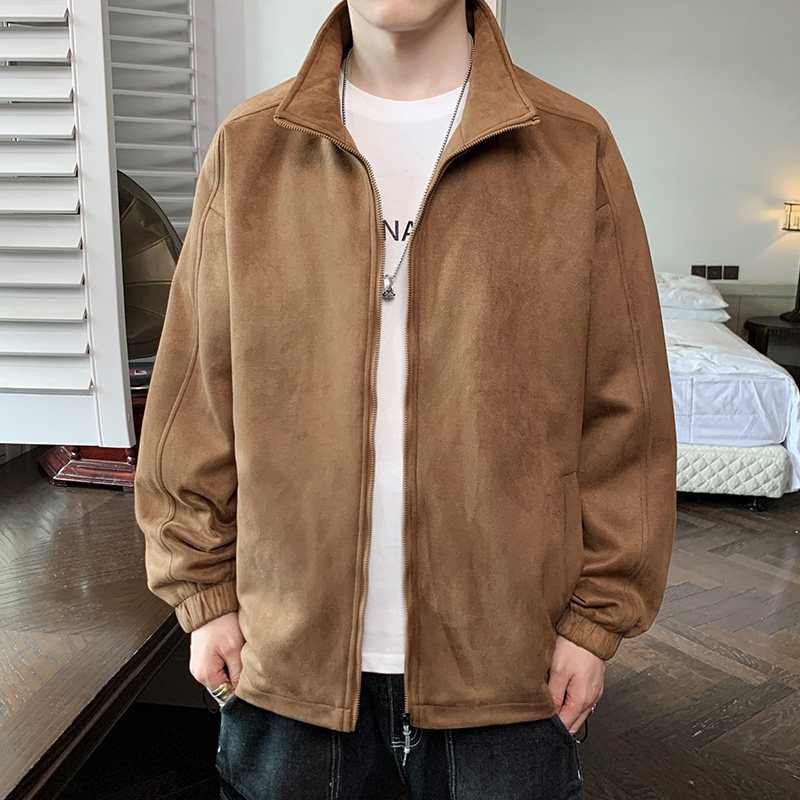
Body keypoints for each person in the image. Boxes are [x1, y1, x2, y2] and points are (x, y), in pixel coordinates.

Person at [133, 0, 678, 797]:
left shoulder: (571, 146)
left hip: (512, 674)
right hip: (283, 667)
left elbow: (627, 409)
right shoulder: (250, 148)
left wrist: (597, 620)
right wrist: (203, 594)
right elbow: (194, 399)